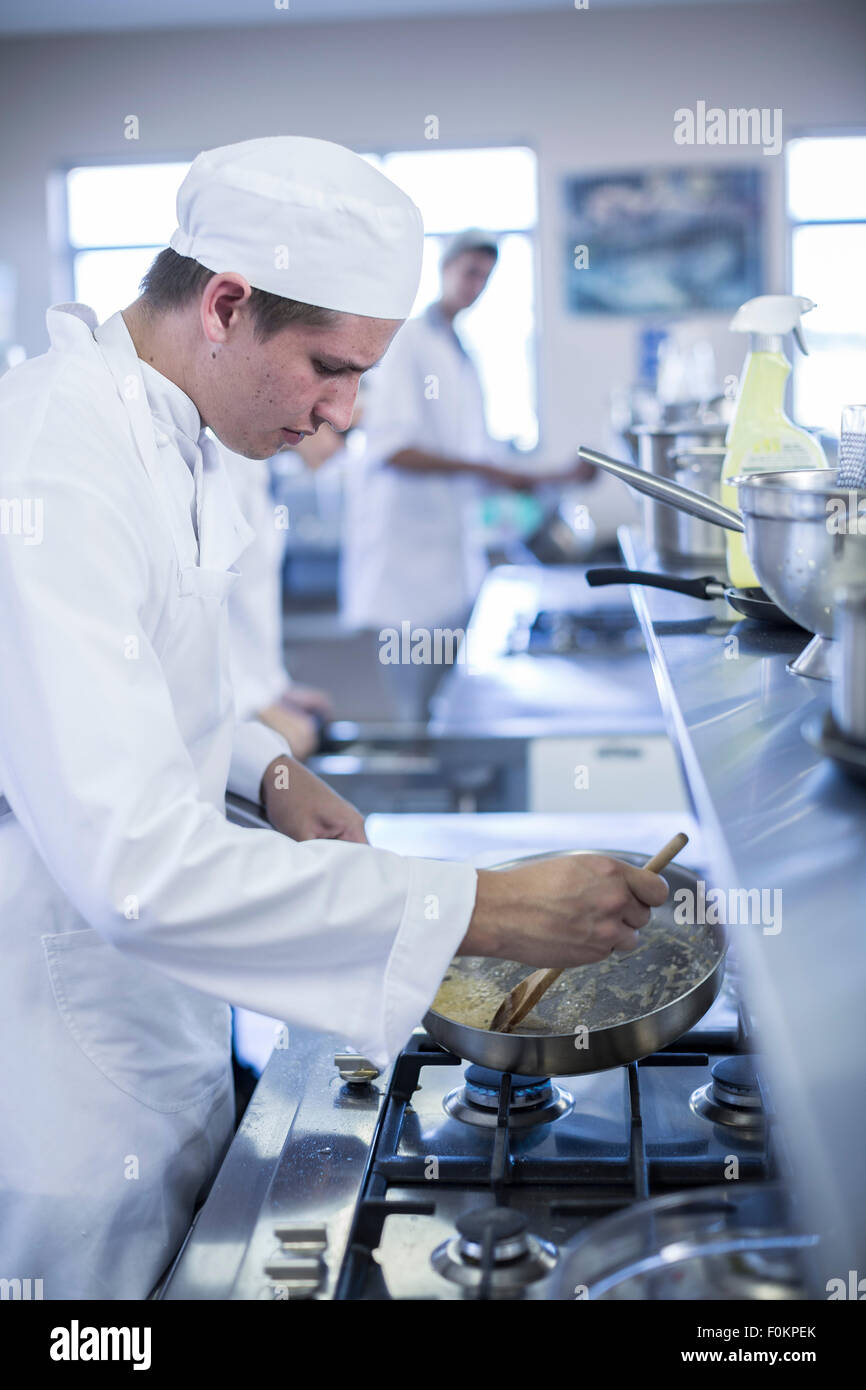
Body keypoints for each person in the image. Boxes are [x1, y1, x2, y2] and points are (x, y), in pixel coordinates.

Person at [0, 136, 668, 1299]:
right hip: (54, 1061)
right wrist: (488, 905)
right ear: (224, 303)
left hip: (157, 1026)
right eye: (329, 366)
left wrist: (259, 765)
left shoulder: (181, 426)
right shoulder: (52, 465)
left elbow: (151, 688)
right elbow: (136, 872)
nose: (345, 416)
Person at [340, 228, 592, 636]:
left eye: (485, 277)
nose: (476, 285)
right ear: (445, 267)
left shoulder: (458, 349)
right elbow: (393, 450)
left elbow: (477, 455)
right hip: (405, 558)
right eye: (470, 271)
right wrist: (491, 472)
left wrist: (554, 476)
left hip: (447, 552)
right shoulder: (409, 342)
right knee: (414, 686)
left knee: (445, 685)